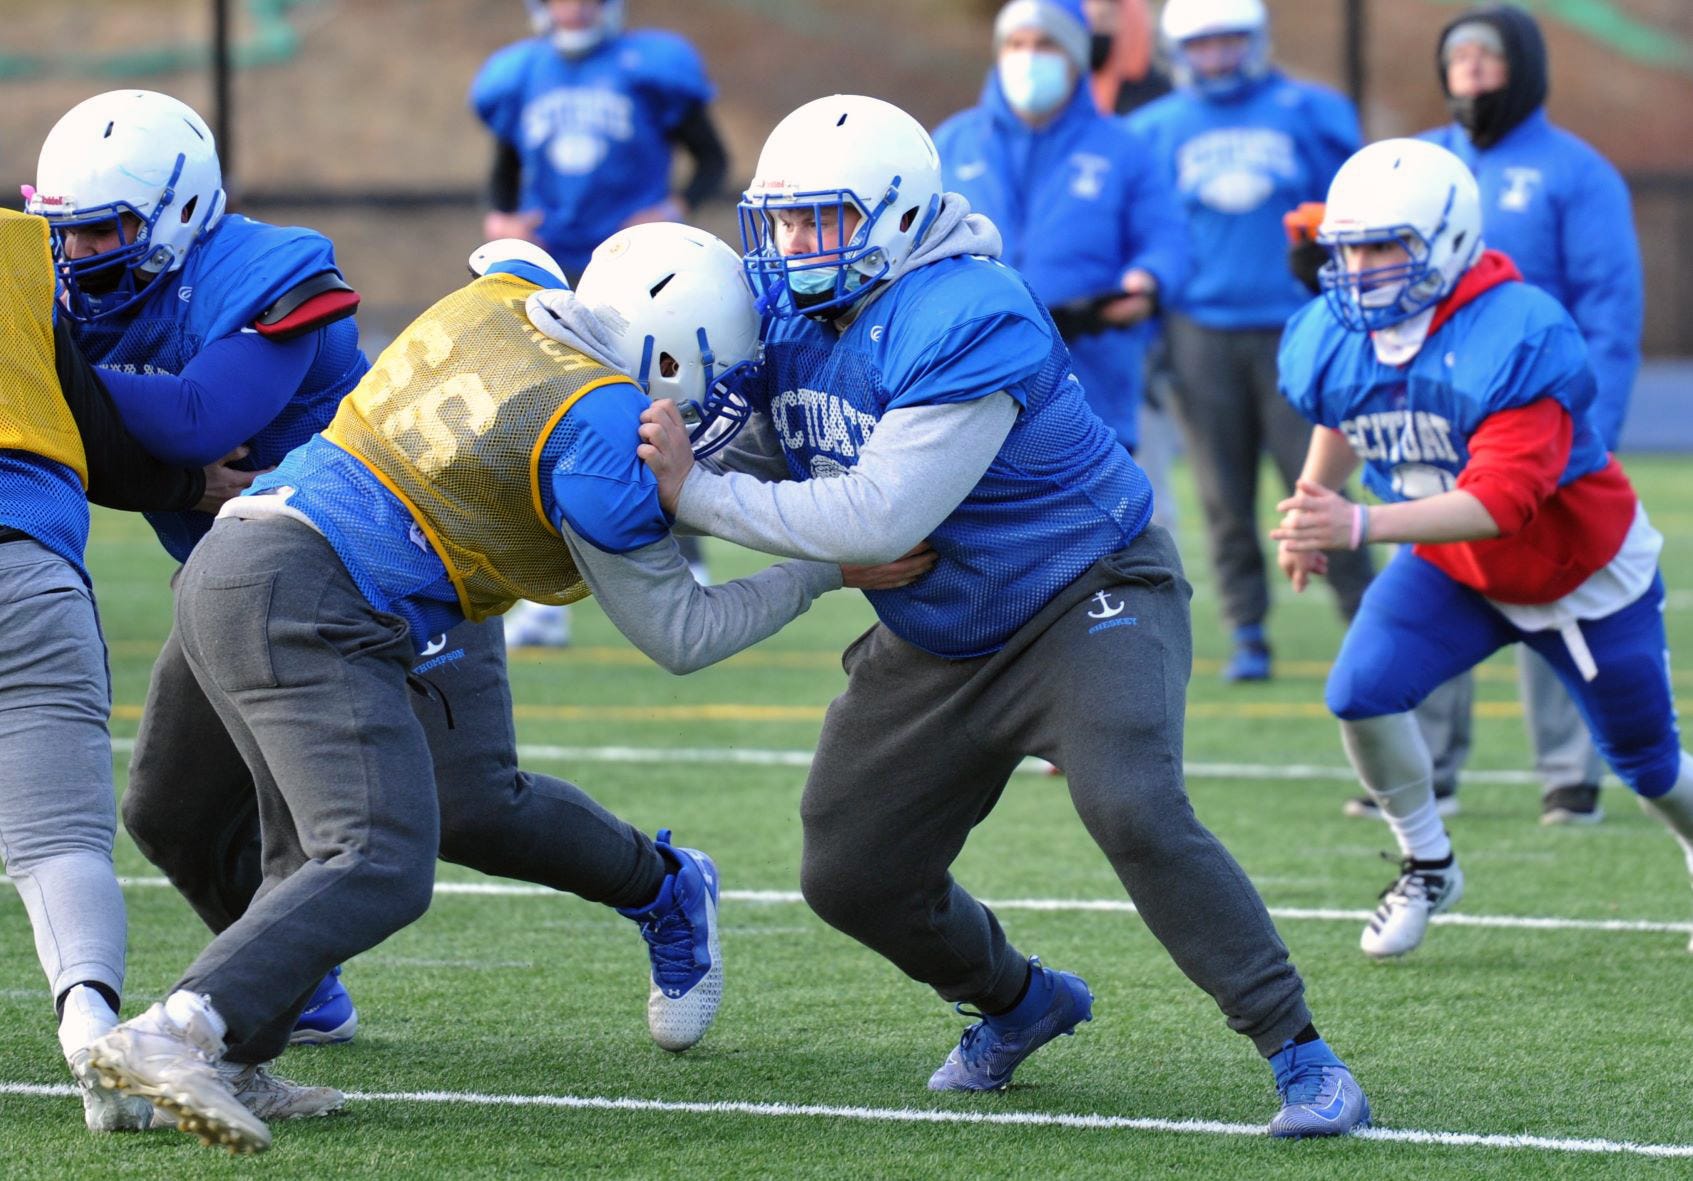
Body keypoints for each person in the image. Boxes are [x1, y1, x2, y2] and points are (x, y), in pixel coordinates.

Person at [83, 225, 929, 1154]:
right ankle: (179, 1033)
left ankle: (237, 1046)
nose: (713, 396)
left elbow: (510, 254)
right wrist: (826, 570)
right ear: (669, 348)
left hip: (248, 553)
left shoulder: (522, 294)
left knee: (351, 831)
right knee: (371, 854)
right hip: (324, 590)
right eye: (712, 369)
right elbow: (683, 633)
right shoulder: (603, 429)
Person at [632, 93, 1370, 1137]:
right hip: (937, 618)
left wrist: (690, 495)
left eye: (823, 221)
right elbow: (726, 409)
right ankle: (1018, 1002)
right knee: (848, 871)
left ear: (893, 215)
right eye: (784, 221)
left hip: (1081, 590)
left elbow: (880, 511)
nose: (795, 246)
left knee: (1132, 805)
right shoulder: (782, 303)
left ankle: (1301, 1052)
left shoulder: (965, 308)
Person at [1271, 138, 1693, 960]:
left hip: (1575, 573)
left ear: (1448, 241)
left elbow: (1502, 502)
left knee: (1648, 768)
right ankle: (1427, 862)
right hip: (1450, 566)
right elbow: (1340, 408)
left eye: (1384, 245)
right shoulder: (1333, 332)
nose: (1359, 267)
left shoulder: (1516, 330)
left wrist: (1355, 525)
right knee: (1357, 692)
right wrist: (1313, 501)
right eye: (1348, 246)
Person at [28, 87, 368, 1058]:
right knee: (168, 810)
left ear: (181, 210)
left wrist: (55, 377)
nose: (80, 256)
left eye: (105, 232)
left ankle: (660, 882)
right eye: (68, 233)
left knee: (460, 810)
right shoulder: (84, 298)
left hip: (366, 578)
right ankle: (303, 983)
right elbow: (82, 455)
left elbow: (195, 422)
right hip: (236, 584)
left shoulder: (273, 271)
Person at [1344, 3, 1648, 827]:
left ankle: (1567, 774)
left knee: (1552, 582)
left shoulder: (1575, 171)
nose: (1470, 75)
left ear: (1524, 66)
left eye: (1487, 59)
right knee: (1430, 582)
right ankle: (1428, 766)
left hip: (1538, 425)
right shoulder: (1422, 162)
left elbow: (1609, 311)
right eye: (1458, 61)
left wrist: (1596, 424)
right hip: (1433, 424)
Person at [0, 207, 249, 1133]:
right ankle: (93, 1030)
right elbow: (94, 433)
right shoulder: (15, 248)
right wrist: (192, 487)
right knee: (60, 841)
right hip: (23, 560)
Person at [1127, 0, 1373, 681]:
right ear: (1180, 49)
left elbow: (1353, 210)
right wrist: (1149, 334)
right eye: (1202, 43)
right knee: (1221, 495)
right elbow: (1146, 236)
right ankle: (1246, 631)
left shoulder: (1308, 110)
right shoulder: (1153, 128)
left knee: (1322, 483)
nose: (1217, 56)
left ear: (1255, 40)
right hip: (1198, 329)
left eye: (1230, 40)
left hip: (1298, 326)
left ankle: (1366, 613)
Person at [471, 0, 730, 646]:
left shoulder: (650, 65)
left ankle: (687, 560)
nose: (573, 6)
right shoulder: (519, 75)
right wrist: (501, 217)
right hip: (552, 274)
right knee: (537, 419)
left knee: (654, 413)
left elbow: (712, 158)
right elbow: (504, 168)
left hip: (637, 275)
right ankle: (543, 593)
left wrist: (676, 207)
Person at [933, 0, 1188, 460]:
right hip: (972, 372)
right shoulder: (952, 142)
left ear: (1075, 55)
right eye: (1016, 44)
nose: (1029, 57)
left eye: (1046, 44)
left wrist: (1146, 281)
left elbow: (1167, 238)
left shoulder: (1123, 148)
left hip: (1092, 369)